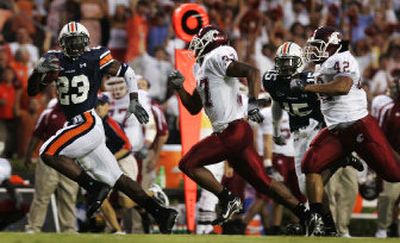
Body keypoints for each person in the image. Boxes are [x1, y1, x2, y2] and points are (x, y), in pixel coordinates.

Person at [27, 21, 177, 234]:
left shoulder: (95, 56)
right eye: (72, 42)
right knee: (117, 179)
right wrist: (37, 72)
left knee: (47, 152)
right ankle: (162, 213)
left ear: (87, 42)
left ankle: (93, 187)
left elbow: (128, 71)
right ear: (62, 43)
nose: (77, 46)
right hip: (80, 126)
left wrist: (134, 99)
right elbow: (32, 91)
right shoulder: (54, 59)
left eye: (80, 41)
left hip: (87, 121)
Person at [168, 25, 310, 227]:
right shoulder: (200, 67)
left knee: (188, 164)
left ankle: (228, 199)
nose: (196, 46)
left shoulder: (219, 54)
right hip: (234, 132)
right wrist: (179, 88)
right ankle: (306, 214)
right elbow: (193, 107)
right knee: (264, 183)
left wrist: (252, 103)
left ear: (212, 40)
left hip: (232, 130)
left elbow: (251, 71)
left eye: (200, 40)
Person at [292, 26, 400, 235]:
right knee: (310, 164)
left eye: (318, 46)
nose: (314, 51)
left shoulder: (343, 58)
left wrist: (306, 87)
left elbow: (342, 86)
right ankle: (316, 217)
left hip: (358, 124)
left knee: (393, 174)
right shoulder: (323, 64)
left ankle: (343, 158)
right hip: (336, 131)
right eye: (313, 46)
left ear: (332, 45)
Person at [263, 41, 362, 235]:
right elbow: (277, 102)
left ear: (299, 61)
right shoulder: (272, 79)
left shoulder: (312, 78)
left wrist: (334, 131)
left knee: (310, 177)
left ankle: (316, 224)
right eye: (281, 62)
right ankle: (329, 227)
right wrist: (275, 130)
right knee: (306, 184)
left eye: (289, 62)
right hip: (298, 132)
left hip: (318, 127)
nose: (284, 67)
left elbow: (332, 100)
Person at [24, 99, 79, 233]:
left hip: (70, 160)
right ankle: (33, 227)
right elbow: (36, 135)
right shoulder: (48, 113)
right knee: (42, 195)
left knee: (69, 195)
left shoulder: (80, 114)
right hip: (49, 159)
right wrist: (28, 155)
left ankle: (68, 228)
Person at [371, 78, 400, 238]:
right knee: (388, 196)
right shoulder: (388, 108)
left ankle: (393, 227)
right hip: (394, 160)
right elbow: (381, 138)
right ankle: (382, 229)